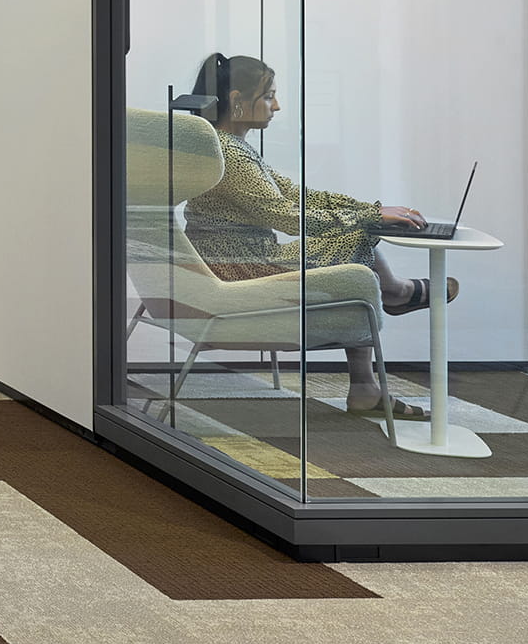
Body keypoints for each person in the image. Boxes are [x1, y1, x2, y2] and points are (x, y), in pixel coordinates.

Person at [182, 51, 439, 422]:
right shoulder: (229, 155)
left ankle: (372, 365)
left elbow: (295, 194)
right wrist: (367, 216)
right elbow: (284, 215)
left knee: (355, 235)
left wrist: (371, 209)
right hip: (240, 271)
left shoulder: (230, 147)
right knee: (353, 239)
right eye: (268, 95)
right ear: (237, 101)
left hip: (244, 260)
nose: (277, 105)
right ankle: (394, 295)